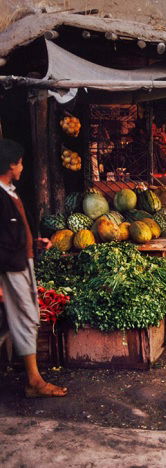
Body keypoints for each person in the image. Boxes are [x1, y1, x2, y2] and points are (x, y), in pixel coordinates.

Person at [0, 139, 68, 398]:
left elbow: (13, 231)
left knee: (14, 320)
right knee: (27, 318)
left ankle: (33, 380)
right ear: (10, 165)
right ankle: (34, 381)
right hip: (10, 268)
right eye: (20, 162)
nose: (22, 167)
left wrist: (35, 243)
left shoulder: (11, 192)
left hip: (22, 262)